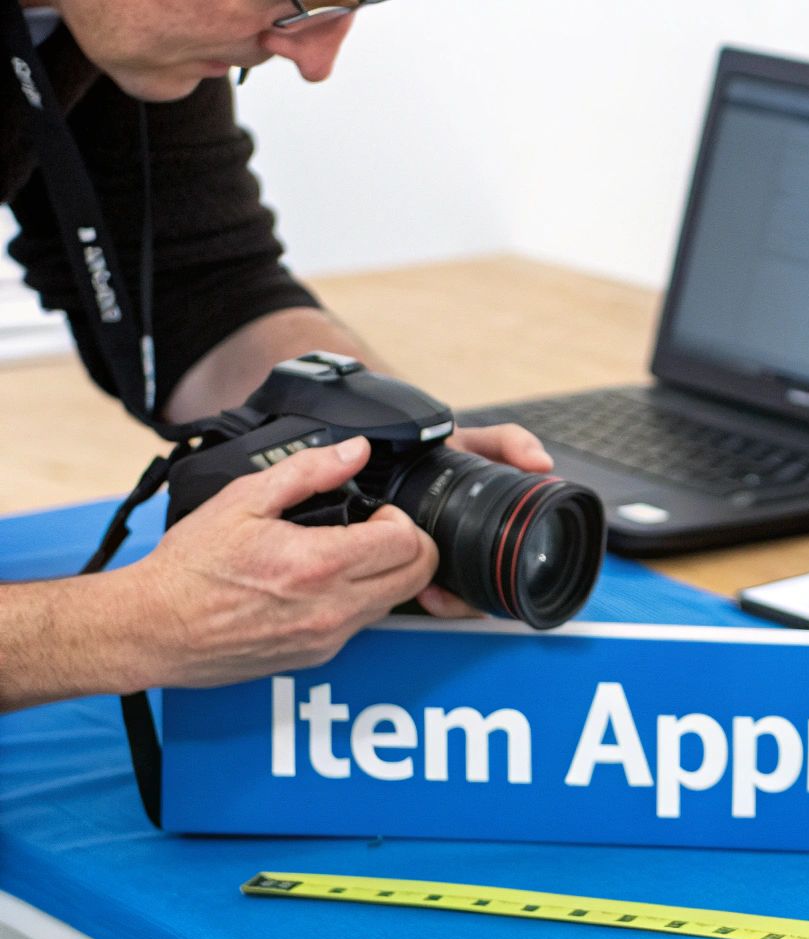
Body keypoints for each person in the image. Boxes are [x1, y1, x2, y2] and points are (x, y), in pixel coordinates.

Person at [0, 0, 548, 712]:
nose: (315, 59)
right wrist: (131, 626)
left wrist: (386, 452)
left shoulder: (118, 36)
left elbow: (201, 288)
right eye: (300, 3)